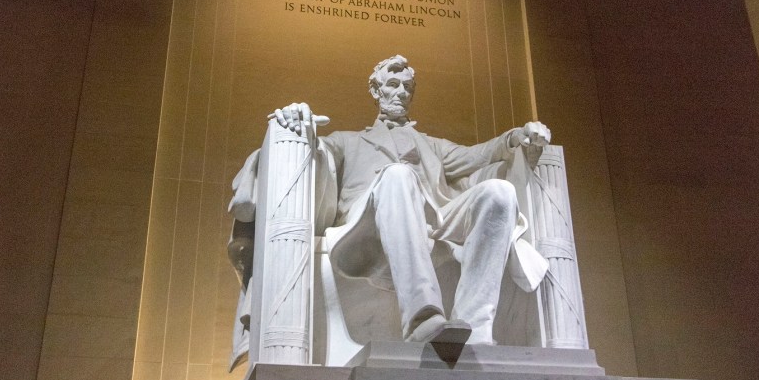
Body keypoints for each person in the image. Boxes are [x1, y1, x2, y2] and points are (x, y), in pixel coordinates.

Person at [231, 55, 550, 352]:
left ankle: (474, 327)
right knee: (397, 175)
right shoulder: (348, 141)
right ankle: (423, 319)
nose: (401, 92)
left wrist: (518, 137)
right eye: (392, 84)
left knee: (500, 193)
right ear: (375, 90)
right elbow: (317, 157)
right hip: (368, 223)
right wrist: (298, 123)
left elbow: (480, 154)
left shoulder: (433, 146)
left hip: (431, 218)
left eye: (407, 87)